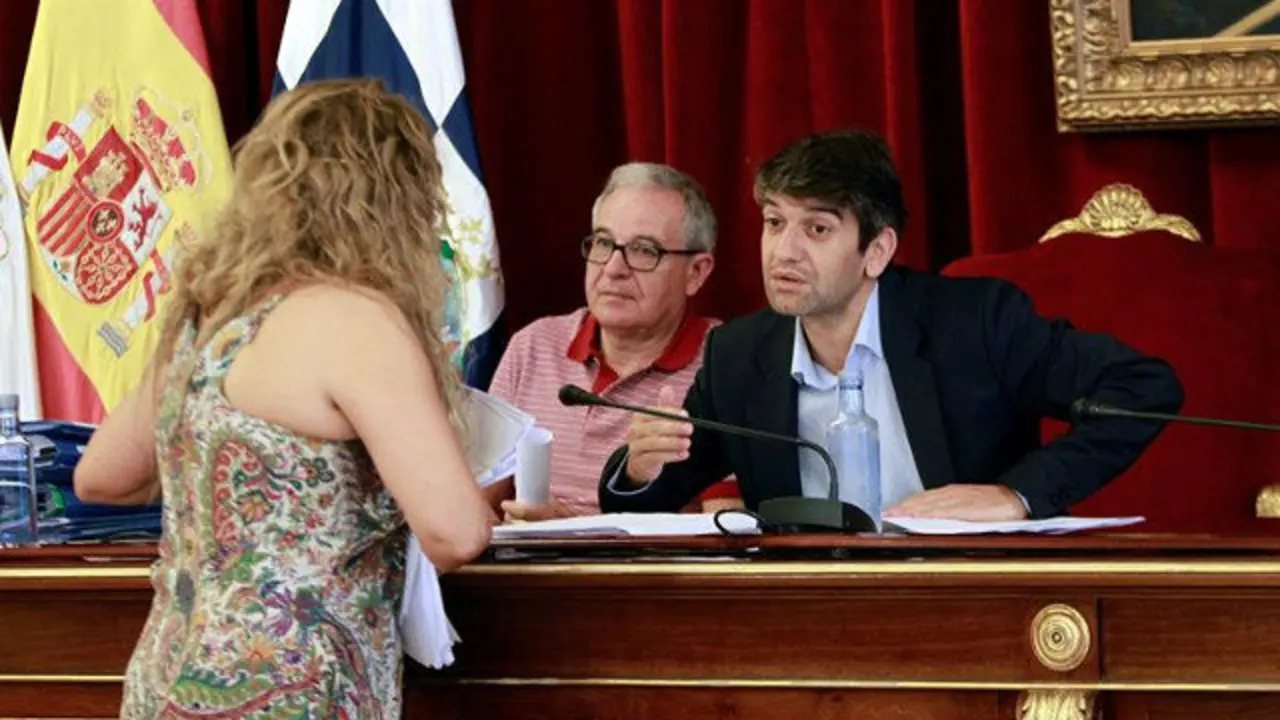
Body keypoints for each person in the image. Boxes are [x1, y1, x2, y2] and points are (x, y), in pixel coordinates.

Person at [73, 79, 493, 719]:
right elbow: (456, 532)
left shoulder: (207, 319)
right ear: (396, 201)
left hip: (169, 679)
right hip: (296, 689)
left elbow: (99, 476)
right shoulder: (352, 318)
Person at [599, 129, 1183, 521]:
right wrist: (641, 469)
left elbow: (1145, 388)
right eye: (775, 222)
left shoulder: (975, 324)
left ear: (877, 251)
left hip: (969, 605)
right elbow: (651, 490)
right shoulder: (739, 355)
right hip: (806, 619)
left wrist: (1017, 496)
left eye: (818, 229)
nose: (784, 252)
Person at [489, 162, 742, 521]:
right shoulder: (533, 346)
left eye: (644, 250)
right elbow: (475, 502)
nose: (613, 268)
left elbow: (728, 538)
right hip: (522, 572)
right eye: (604, 243)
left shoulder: (728, 363)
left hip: (644, 576)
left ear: (696, 272)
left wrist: (573, 534)